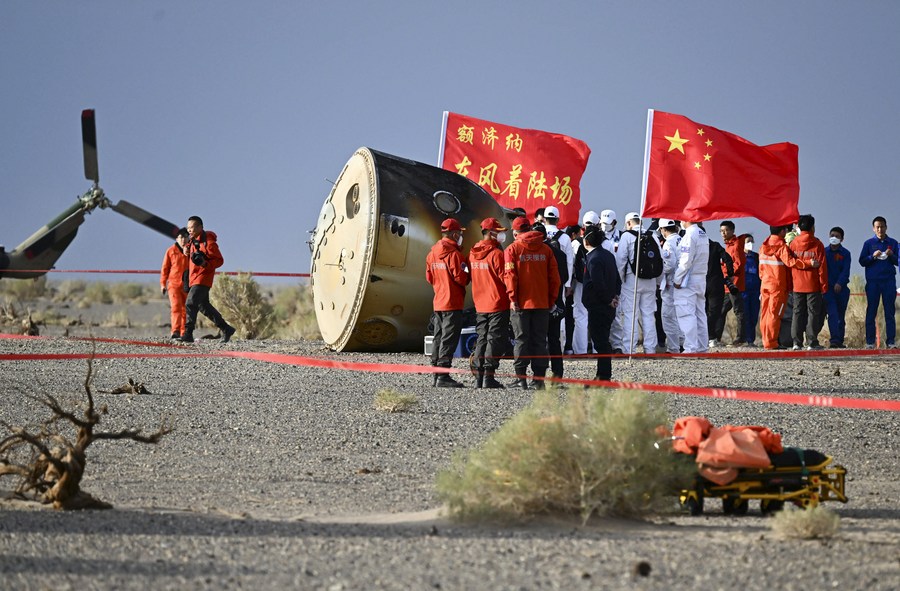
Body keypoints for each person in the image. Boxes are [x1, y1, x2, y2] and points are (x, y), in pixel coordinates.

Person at [504, 217, 560, 389]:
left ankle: (521, 378)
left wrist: (512, 298)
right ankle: (539, 380)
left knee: (521, 340)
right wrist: (551, 300)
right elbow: (554, 278)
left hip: (520, 304)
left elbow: (510, 276)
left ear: (515, 233)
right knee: (539, 340)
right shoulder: (546, 249)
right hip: (542, 303)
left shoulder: (512, 249)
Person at [425, 217, 471, 387]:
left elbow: (429, 278)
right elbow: (461, 278)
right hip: (452, 302)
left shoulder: (431, 254)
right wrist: (467, 270)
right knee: (449, 338)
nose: (460, 236)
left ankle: (437, 372)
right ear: (454, 234)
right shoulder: (455, 255)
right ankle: (444, 375)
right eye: (459, 233)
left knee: (438, 337)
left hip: (438, 302)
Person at [759, 224, 818, 350]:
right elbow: (791, 262)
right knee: (775, 314)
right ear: (782, 231)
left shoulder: (763, 246)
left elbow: (761, 268)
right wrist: (809, 263)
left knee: (765, 313)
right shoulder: (781, 246)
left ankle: (766, 341)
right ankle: (771, 343)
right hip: (778, 285)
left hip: (765, 283)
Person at [468, 218, 509, 388]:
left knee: (482, 338)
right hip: (497, 303)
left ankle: (479, 376)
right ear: (492, 233)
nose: (501, 235)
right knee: (495, 339)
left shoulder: (472, 253)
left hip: (480, 303)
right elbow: (506, 279)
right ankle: (489, 377)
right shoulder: (497, 255)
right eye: (499, 231)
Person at [180, 216, 236, 344]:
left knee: (190, 302)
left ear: (200, 227)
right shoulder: (192, 240)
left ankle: (188, 334)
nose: (189, 230)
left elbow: (220, 260)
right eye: (188, 228)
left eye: (192, 227)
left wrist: (205, 264)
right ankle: (226, 329)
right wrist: (186, 250)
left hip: (203, 277)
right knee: (203, 306)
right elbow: (189, 249)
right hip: (193, 277)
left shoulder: (209, 243)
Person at [581, 228, 621, 382]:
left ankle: (603, 376)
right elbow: (617, 279)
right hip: (608, 303)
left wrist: (608, 299)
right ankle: (603, 374)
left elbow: (598, 284)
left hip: (599, 305)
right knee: (602, 339)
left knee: (600, 341)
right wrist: (615, 296)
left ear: (586, 241)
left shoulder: (594, 258)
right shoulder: (608, 255)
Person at [615, 212, 658, 354]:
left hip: (631, 280)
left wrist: (620, 280)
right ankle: (650, 349)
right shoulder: (653, 236)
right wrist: (657, 281)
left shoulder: (626, 236)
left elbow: (621, 259)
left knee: (630, 314)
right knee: (648, 314)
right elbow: (660, 260)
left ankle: (629, 349)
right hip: (650, 281)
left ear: (628, 223)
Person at [532, 222, 568, 383]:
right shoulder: (560, 254)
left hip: (539, 302)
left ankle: (538, 375)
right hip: (557, 302)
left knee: (538, 339)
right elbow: (565, 278)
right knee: (554, 340)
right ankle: (557, 374)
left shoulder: (536, 252)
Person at [789, 214, 828, 350]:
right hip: (813, 285)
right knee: (813, 313)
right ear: (812, 227)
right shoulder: (818, 244)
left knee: (797, 312)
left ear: (799, 227)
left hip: (797, 284)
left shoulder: (793, 244)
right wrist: (823, 285)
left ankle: (796, 342)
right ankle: (811, 342)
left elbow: (791, 263)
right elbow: (822, 267)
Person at [859, 216, 899, 349]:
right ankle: (870, 342)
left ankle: (891, 341)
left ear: (886, 227)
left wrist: (892, 255)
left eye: (882, 226)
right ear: (873, 228)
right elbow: (862, 261)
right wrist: (872, 256)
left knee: (889, 312)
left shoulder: (893, 243)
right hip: (873, 283)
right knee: (871, 311)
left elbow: (898, 261)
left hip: (888, 282)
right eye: (877, 227)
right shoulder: (868, 243)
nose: (880, 229)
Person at [673, 220, 710, 353]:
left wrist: (677, 279)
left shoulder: (690, 235)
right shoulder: (702, 233)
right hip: (700, 277)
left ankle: (690, 348)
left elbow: (685, 261)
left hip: (688, 279)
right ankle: (701, 347)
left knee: (686, 313)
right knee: (700, 314)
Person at [571, 211, 600, 355]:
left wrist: (568, 285)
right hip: (598, 283)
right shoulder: (604, 242)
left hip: (581, 283)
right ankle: (597, 349)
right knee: (596, 315)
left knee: (581, 316)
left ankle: (580, 350)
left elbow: (571, 265)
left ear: (583, 225)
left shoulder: (576, 243)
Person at [719, 221, 749, 346]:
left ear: (732, 231)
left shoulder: (736, 245)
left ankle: (740, 338)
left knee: (738, 311)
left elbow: (739, 264)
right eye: (721, 231)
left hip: (734, 284)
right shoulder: (728, 245)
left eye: (725, 230)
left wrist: (727, 272)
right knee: (721, 311)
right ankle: (715, 337)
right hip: (727, 285)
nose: (723, 233)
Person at [824, 226, 852, 348]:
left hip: (842, 290)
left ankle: (839, 340)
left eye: (837, 236)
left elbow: (846, 271)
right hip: (828, 289)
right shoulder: (824, 252)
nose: (834, 238)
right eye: (832, 235)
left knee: (841, 316)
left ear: (842, 239)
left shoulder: (846, 253)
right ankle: (834, 339)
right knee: (833, 314)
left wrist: (839, 283)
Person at [705, 230, 734, 348]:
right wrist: (730, 274)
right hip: (715, 282)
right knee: (715, 312)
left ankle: (702, 336)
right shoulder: (715, 245)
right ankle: (712, 337)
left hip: (699, 282)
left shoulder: (693, 245)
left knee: (701, 312)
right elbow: (728, 259)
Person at [658, 219, 683, 353]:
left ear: (663, 229)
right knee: (681, 315)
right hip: (683, 282)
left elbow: (669, 265)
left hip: (670, 282)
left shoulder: (669, 243)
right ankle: (682, 343)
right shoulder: (682, 239)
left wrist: (658, 274)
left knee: (667, 316)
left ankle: (673, 347)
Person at [160, 228, 190, 339]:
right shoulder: (170, 251)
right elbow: (165, 268)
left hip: (187, 284)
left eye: (186, 237)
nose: (183, 240)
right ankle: (175, 330)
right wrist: (163, 284)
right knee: (176, 307)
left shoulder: (191, 251)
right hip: (174, 284)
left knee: (186, 309)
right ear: (177, 239)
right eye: (181, 237)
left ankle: (184, 332)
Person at [742, 235, 761, 346]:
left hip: (755, 291)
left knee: (754, 316)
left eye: (751, 241)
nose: (750, 243)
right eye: (748, 241)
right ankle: (745, 339)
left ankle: (751, 340)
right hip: (744, 291)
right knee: (745, 315)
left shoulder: (756, 257)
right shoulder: (740, 256)